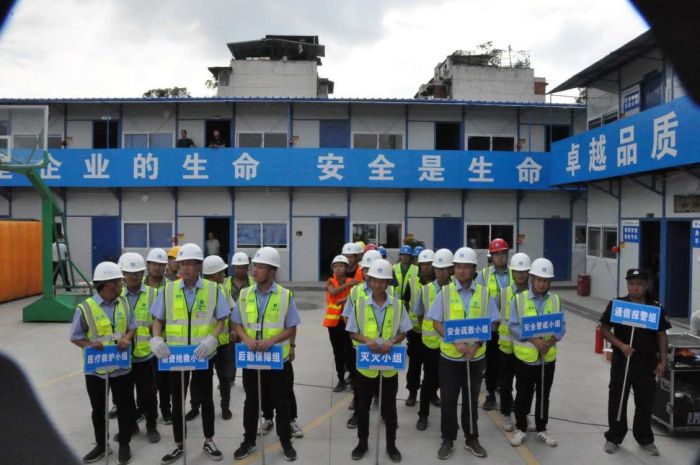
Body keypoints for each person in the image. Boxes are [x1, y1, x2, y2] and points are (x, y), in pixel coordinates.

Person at [149, 243, 230, 464]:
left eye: (189, 264)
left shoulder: (213, 290)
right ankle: (179, 444)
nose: (184, 268)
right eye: (182, 263)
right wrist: (156, 338)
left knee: (206, 399)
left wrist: (212, 338)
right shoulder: (168, 290)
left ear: (199, 266)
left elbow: (222, 318)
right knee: (178, 401)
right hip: (176, 356)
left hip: (202, 355)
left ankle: (209, 440)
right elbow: (158, 319)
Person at [428, 247, 499, 460]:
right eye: (458, 266)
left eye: (466, 267)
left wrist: (477, 343)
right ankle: (448, 439)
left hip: (475, 358)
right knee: (448, 400)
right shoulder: (445, 293)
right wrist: (455, 341)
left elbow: (493, 323)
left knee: (471, 400)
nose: (461, 270)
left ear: (474, 269)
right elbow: (436, 323)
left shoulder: (484, 294)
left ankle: (471, 438)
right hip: (450, 358)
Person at [231, 247, 300, 462]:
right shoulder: (244, 294)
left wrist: (272, 341)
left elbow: (291, 326)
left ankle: (285, 441)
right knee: (251, 402)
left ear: (272, 271)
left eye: (260, 267)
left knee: (282, 402)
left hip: (277, 358)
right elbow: (236, 322)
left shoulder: (284, 295)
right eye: (255, 266)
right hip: (252, 358)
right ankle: (249, 440)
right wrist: (245, 338)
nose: (255, 270)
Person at [70, 261, 137, 465]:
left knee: (125, 407)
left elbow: (132, 326)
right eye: (119, 282)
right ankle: (101, 444)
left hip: (121, 367)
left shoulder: (124, 303)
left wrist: (127, 338)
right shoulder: (85, 308)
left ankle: (124, 443)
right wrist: (91, 344)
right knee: (98, 409)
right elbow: (75, 337)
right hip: (96, 370)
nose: (122, 285)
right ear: (108, 284)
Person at [346, 259, 412, 463]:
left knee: (389, 409)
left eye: (383, 281)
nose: (378, 284)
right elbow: (352, 332)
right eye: (374, 280)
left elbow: (404, 331)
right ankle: (362, 443)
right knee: (363, 407)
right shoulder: (360, 304)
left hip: (389, 366)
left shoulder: (398, 305)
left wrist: (393, 341)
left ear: (388, 283)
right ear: (369, 280)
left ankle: (391, 446)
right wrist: (367, 340)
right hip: (366, 366)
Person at [600, 268, 671, 456]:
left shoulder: (655, 308)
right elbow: (604, 329)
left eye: (639, 284)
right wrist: (621, 345)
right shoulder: (618, 305)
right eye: (631, 283)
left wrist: (663, 360)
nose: (635, 288)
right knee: (617, 400)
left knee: (645, 403)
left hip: (647, 363)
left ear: (646, 285)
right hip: (622, 362)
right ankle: (614, 437)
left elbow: (662, 335)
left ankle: (645, 438)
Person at [509, 258, 565, 448]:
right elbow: (513, 327)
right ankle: (521, 428)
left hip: (547, 359)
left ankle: (542, 428)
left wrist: (549, 343)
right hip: (525, 359)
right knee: (523, 394)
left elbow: (561, 327)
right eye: (539, 279)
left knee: (543, 395)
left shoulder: (556, 301)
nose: (542, 284)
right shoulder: (519, 299)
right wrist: (534, 340)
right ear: (532, 278)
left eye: (546, 280)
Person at [118, 252, 161, 444]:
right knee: (125, 396)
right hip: (123, 355)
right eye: (129, 273)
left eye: (137, 273)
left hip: (146, 354)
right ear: (123, 275)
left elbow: (161, 320)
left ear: (143, 273)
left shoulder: (154, 294)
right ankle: (131, 426)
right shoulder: (117, 295)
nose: (133, 276)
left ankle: (151, 426)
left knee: (149, 394)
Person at [186, 255, 235, 421]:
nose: (224, 275)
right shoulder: (197, 291)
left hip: (222, 343)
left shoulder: (223, 290)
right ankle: (194, 407)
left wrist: (233, 330)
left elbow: (231, 312)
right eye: (221, 272)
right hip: (202, 344)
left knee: (224, 377)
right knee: (198, 378)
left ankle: (225, 407)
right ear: (213, 274)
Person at [341, 249, 383, 429]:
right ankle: (358, 413)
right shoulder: (356, 291)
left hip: (383, 347)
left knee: (383, 379)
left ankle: (383, 407)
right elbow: (346, 316)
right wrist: (358, 334)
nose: (368, 273)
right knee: (360, 383)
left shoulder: (390, 291)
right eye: (365, 269)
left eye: (371, 269)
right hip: (360, 346)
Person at [413, 248, 453, 431]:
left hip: (451, 344)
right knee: (428, 379)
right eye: (438, 269)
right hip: (430, 345)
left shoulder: (457, 290)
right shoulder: (425, 290)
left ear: (450, 270)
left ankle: (438, 403)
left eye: (444, 269)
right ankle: (423, 414)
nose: (441, 272)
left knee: (446, 381)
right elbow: (419, 314)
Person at [476, 238, 512, 411]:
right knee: (491, 364)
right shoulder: (483, 275)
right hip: (491, 328)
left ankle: (508, 396)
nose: (501, 257)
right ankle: (490, 394)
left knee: (508, 365)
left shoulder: (515, 274)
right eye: (497, 254)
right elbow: (478, 299)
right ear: (491, 256)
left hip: (510, 328)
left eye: (503, 253)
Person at [497, 253, 531, 432]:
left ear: (529, 273)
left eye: (524, 271)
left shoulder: (534, 293)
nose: (520, 275)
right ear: (512, 272)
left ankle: (522, 415)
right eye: (517, 271)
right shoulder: (504, 294)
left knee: (524, 385)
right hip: (506, 347)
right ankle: (505, 414)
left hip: (526, 347)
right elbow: (494, 315)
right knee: (505, 384)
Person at [143, 248, 172, 425]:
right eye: (154, 264)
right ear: (148, 265)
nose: (157, 268)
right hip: (141, 343)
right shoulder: (138, 285)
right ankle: (144, 410)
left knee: (164, 380)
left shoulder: (171, 287)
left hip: (164, 340)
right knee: (145, 382)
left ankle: (166, 410)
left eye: (161, 265)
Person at [402, 248, 434, 408]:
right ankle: (412, 392)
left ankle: (432, 393)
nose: (426, 267)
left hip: (435, 334)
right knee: (414, 366)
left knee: (432, 368)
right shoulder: (413, 282)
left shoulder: (441, 283)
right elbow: (406, 302)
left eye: (429, 264)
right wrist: (409, 322)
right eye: (423, 264)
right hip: (415, 333)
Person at [324, 255, 357, 392]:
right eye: (335, 266)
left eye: (341, 266)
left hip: (348, 322)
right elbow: (333, 292)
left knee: (350, 352)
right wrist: (348, 285)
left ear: (346, 268)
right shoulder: (330, 281)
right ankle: (341, 380)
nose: (338, 269)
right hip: (334, 323)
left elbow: (357, 296)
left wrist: (344, 299)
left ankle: (353, 379)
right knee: (338, 353)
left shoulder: (352, 282)